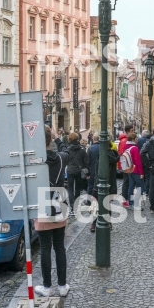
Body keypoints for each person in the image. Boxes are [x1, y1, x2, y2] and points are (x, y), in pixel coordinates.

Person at [34, 125, 70, 298]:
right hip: (59, 201)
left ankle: (47, 287)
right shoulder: (61, 158)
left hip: (42, 201)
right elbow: (66, 150)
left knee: (45, 248)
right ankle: (62, 286)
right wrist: (57, 137)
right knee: (59, 247)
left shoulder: (34, 160)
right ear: (50, 140)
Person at [90, 141, 119, 232]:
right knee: (107, 204)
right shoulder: (114, 154)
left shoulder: (102, 155)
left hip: (100, 183)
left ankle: (94, 223)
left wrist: (95, 185)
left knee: (97, 204)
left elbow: (97, 172)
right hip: (110, 184)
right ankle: (108, 222)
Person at [66, 132, 89, 215]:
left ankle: (72, 207)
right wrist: (87, 173)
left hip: (70, 171)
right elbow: (87, 162)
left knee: (70, 190)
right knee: (78, 189)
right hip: (79, 171)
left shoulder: (67, 149)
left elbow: (65, 160)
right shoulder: (82, 149)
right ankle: (76, 206)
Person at [125, 133, 144, 211]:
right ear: (133, 139)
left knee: (131, 187)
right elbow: (138, 161)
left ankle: (131, 203)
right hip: (136, 170)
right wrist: (141, 173)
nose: (137, 140)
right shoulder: (135, 148)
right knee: (141, 187)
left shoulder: (127, 147)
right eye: (136, 138)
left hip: (130, 169)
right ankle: (135, 204)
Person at [117, 124, 134, 207]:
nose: (133, 132)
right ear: (128, 131)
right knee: (126, 182)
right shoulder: (124, 141)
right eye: (132, 130)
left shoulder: (127, 140)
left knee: (128, 181)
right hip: (126, 165)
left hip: (128, 164)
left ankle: (128, 198)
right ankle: (124, 200)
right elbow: (122, 154)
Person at [87, 133, 100, 197]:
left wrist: (88, 173)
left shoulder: (90, 148)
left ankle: (89, 201)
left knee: (90, 186)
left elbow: (87, 161)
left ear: (93, 139)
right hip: (100, 169)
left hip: (92, 169)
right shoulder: (102, 148)